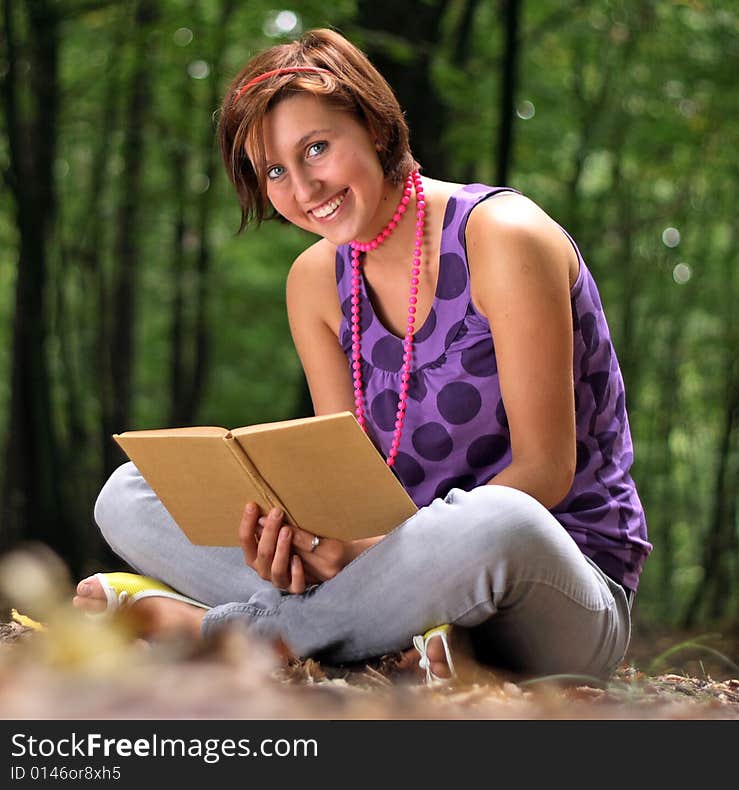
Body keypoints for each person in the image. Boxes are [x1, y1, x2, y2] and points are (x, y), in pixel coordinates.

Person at [73, 28, 652, 684]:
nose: (303, 186)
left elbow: (545, 472)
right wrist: (302, 545)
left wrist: (371, 552)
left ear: (376, 128)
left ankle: (220, 631)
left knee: (499, 519)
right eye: (274, 172)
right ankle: (391, 640)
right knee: (127, 492)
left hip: (553, 582)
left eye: (316, 147)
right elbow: (342, 487)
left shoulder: (503, 236)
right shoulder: (316, 283)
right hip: (382, 578)